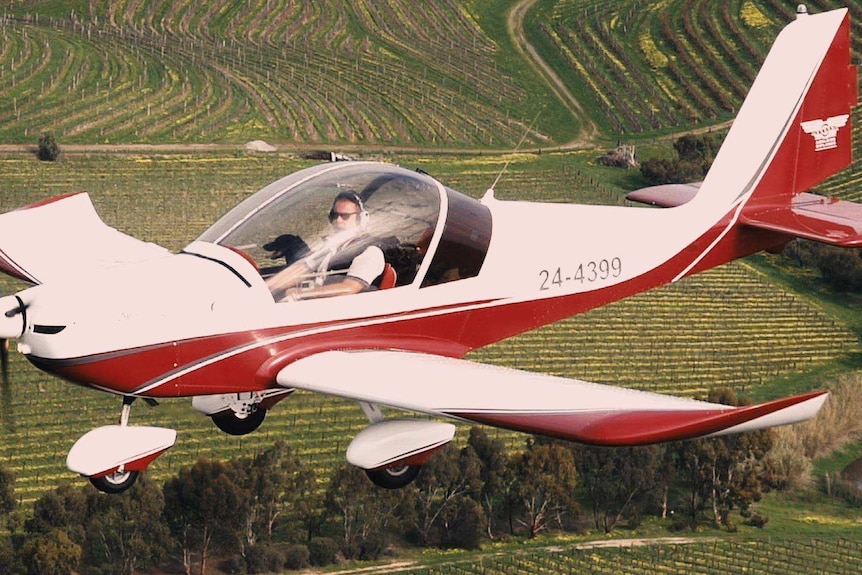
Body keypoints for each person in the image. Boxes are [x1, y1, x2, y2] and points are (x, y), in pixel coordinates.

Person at [265, 191, 384, 301]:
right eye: (334, 215)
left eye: (345, 216)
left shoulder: (370, 252)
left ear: (361, 219)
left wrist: (299, 293)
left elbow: (349, 289)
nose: (338, 221)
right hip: (319, 307)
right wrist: (266, 288)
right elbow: (300, 270)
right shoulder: (331, 247)